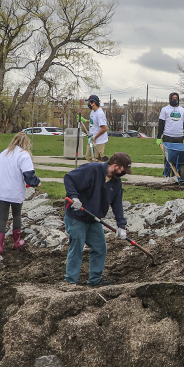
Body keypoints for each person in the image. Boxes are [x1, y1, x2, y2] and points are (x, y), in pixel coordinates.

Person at [63, 152, 131, 286]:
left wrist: (121, 225)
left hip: (94, 219)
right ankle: (70, 281)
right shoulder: (92, 169)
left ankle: (95, 280)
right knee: (77, 247)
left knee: (100, 248)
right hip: (77, 216)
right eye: (123, 170)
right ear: (116, 166)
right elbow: (69, 178)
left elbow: (117, 205)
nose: (124, 173)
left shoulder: (116, 183)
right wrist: (74, 197)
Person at [0, 132, 41, 255]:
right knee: (16, 215)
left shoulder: (3, 153)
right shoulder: (23, 155)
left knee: (2, 218)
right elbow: (29, 174)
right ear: (26, 143)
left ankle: (0, 246)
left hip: (0, 190)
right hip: (14, 191)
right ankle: (16, 242)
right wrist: (36, 183)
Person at [158, 93, 184, 181]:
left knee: (179, 156)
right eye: (173, 98)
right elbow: (161, 124)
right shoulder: (165, 110)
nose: (175, 99)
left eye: (176, 98)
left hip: (179, 136)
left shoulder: (182, 110)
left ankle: (175, 175)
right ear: (170, 99)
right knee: (168, 157)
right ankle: (167, 175)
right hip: (168, 136)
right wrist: (159, 137)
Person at [85, 95, 108, 161]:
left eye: (89, 102)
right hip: (91, 138)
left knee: (98, 159)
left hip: (99, 140)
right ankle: (94, 170)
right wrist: (85, 121)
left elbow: (104, 128)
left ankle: (102, 170)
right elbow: (94, 122)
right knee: (88, 157)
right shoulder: (93, 112)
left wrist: (96, 137)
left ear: (93, 103)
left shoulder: (99, 114)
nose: (88, 104)